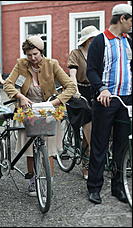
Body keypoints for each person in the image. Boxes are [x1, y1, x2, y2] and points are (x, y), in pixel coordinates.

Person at [3, 35, 76, 197]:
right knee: (29, 149)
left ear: (41, 51)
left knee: (48, 149)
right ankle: (32, 180)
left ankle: (47, 181)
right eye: (29, 55)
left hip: (49, 109)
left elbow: (70, 86)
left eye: (35, 54)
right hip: (27, 109)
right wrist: (20, 97)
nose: (32, 58)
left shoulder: (52, 64)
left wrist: (56, 102)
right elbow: (8, 84)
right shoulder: (21, 65)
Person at [86, 4, 132, 205]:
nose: (132, 25)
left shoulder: (128, 41)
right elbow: (91, 70)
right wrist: (101, 88)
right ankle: (94, 188)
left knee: (122, 146)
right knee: (100, 145)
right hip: (106, 100)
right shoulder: (100, 41)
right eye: (131, 20)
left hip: (126, 100)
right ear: (122, 18)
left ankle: (118, 187)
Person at [67, 25, 100, 180]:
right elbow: (72, 74)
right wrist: (75, 90)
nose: (95, 40)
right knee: (88, 121)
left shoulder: (98, 53)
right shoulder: (76, 54)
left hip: (94, 89)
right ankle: (86, 164)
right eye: (93, 38)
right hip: (78, 91)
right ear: (87, 40)